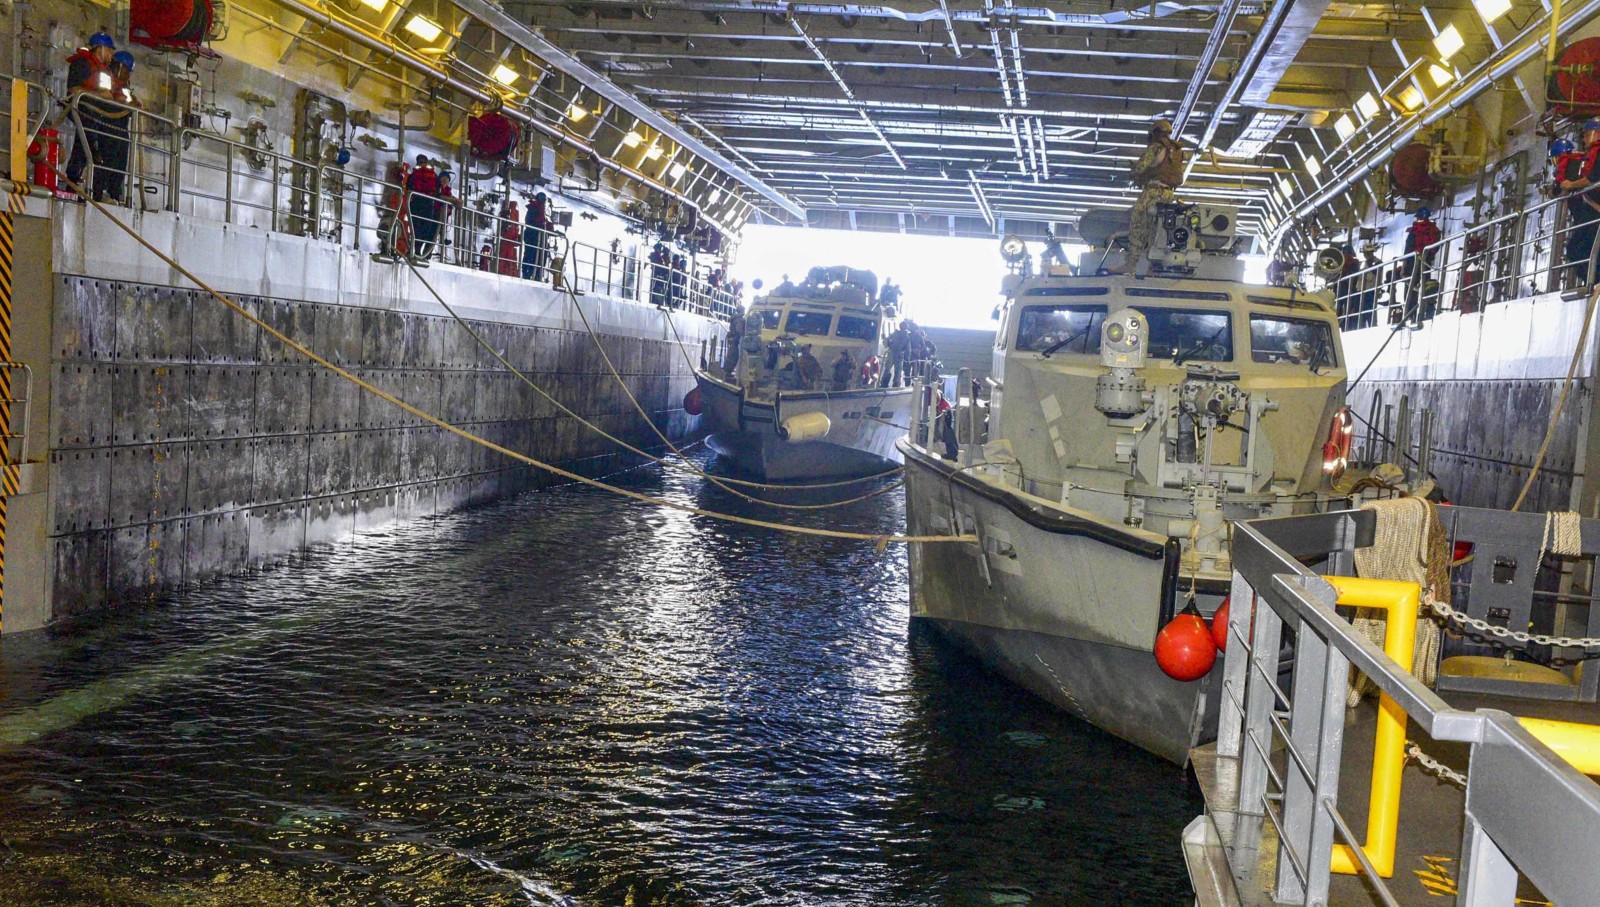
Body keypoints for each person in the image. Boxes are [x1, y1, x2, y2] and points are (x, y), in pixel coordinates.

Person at [1120, 119, 1186, 275]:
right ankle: (1153, 267)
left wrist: (1133, 170)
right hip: (1168, 194)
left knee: (1138, 224)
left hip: (1153, 191)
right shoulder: (1177, 151)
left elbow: (1140, 168)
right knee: (1156, 229)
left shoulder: (1156, 147)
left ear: (1155, 132)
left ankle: (1131, 264)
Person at [64, 32, 120, 201]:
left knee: (101, 143)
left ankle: (95, 189)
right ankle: (73, 182)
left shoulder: (105, 71)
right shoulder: (82, 64)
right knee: (86, 142)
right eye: (109, 50)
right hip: (82, 109)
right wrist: (99, 95)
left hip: (97, 114)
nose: (111, 55)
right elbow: (74, 90)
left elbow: (110, 92)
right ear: (100, 48)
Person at [1560, 120, 1600, 287]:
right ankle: (1593, 280)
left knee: (1576, 249)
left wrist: (1570, 185)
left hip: (1594, 210)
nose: (1584, 140)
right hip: (1592, 208)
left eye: (1586, 134)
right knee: (1582, 248)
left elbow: (1593, 178)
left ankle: (1595, 281)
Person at [1401, 207, 1442, 321]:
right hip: (1426, 262)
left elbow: (1408, 248)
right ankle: (1423, 312)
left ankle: (1410, 315)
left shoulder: (1415, 230)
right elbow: (1435, 247)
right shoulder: (1434, 229)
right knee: (1424, 287)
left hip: (1412, 262)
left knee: (1410, 290)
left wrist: (1403, 268)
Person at [405, 155, 440, 262]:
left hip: (416, 203)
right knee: (426, 229)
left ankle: (414, 250)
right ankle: (421, 252)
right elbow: (438, 189)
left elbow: (408, 186)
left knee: (415, 227)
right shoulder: (433, 174)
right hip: (428, 205)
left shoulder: (414, 174)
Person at [523, 191, 550, 281]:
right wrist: (539, 224)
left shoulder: (539, 209)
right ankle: (528, 273)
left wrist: (548, 226)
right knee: (530, 255)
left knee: (541, 255)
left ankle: (537, 273)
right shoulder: (533, 209)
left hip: (538, 237)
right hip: (532, 236)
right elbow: (529, 222)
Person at [883, 321, 911, 387]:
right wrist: (907, 359)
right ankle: (895, 384)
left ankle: (884, 382)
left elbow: (887, 339)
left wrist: (888, 346)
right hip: (899, 354)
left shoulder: (895, 333)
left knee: (888, 369)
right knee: (897, 371)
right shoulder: (907, 337)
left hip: (892, 353)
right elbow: (908, 349)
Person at [497, 201, 521, 277]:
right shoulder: (514, 215)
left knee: (504, 259)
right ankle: (510, 273)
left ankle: (503, 272)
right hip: (510, 241)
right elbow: (515, 227)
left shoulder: (506, 214)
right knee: (509, 259)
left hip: (507, 241)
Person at [649, 243, 671, 308]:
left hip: (661, 276)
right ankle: (656, 301)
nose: (660, 251)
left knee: (660, 289)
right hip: (657, 275)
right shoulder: (655, 256)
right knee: (657, 289)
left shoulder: (662, 258)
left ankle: (658, 301)